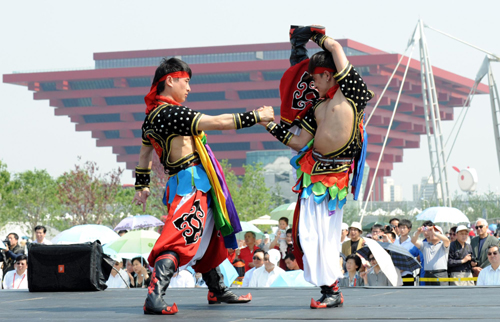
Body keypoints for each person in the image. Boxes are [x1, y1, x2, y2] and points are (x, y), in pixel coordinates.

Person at [131, 58, 271, 314]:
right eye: (186, 81)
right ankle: (154, 297)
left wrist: (142, 186)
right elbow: (218, 123)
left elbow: (143, 155)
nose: (189, 88)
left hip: (185, 183)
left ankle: (217, 290)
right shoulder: (174, 113)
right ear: (170, 80)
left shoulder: (150, 117)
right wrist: (257, 116)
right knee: (178, 240)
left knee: (208, 239)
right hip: (192, 184)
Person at [260, 24, 373, 308]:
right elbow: (298, 143)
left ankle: (332, 289)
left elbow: (335, 49)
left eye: (315, 79)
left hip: (335, 178)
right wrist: (269, 125)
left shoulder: (352, 95)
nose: (312, 85)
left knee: (325, 237)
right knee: (306, 236)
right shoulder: (316, 108)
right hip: (313, 176)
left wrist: (311, 34)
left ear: (327, 74)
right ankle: (329, 288)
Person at [411, 221, 450, 286]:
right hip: (428, 274)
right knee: (429, 295)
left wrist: (435, 233)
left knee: (442, 295)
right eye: (431, 231)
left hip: (440, 274)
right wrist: (418, 232)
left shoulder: (443, 245)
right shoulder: (425, 245)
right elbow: (413, 241)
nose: (433, 233)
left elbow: (447, 240)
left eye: (436, 231)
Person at [396, 219, 420, 286]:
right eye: (400, 227)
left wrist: (402, 269)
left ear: (409, 229)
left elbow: (413, 259)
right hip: (396, 274)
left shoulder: (412, 243)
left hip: (407, 274)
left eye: (404, 228)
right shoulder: (395, 242)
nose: (402, 230)